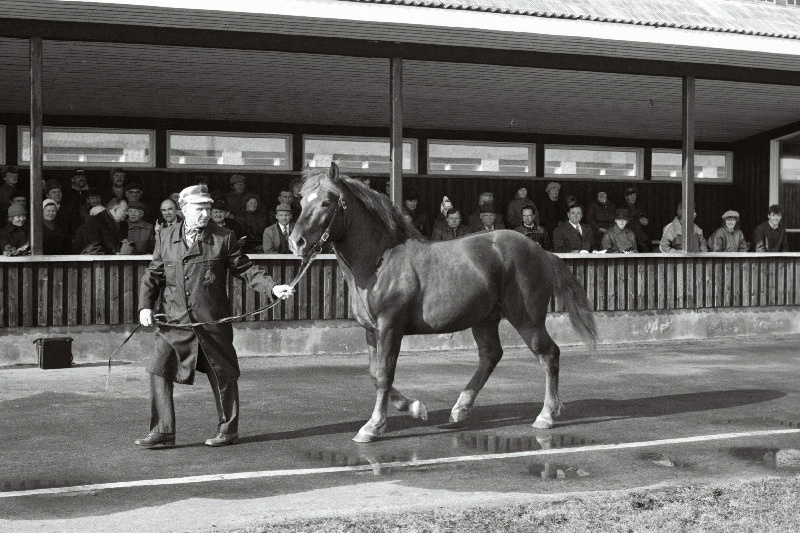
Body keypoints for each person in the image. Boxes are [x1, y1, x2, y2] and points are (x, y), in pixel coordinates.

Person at [135, 184, 294, 449]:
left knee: (223, 374)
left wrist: (272, 287)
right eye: (200, 209)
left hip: (211, 321)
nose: (206, 214)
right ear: (184, 209)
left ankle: (228, 430)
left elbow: (246, 268)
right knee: (158, 368)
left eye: (208, 208)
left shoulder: (223, 237)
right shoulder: (165, 236)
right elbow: (153, 273)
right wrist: (145, 306)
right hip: (175, 322)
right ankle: (163, 432)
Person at [621, 187, 651, 252]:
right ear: (626, 197)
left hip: (639, 231)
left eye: (634, 195)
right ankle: (644, 245)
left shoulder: (638, 206)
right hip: (627, 230)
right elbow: (624, 220)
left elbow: (643, 215)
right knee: (635, 225)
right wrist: (638, 220)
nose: (633, 197)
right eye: (630, 195)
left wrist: (645, 220)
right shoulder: (622, 207)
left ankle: (645, 244)